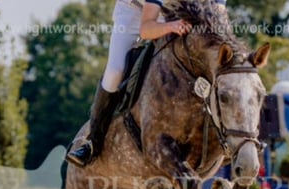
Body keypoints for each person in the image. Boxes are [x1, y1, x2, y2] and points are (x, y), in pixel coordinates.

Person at [66, 0, 227, 168]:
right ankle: (92, 142)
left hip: (172, 13)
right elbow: (146, 29)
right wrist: (172, 26)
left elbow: (218, 22)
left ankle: (226, 139)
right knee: (115, 71)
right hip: (134, 11)